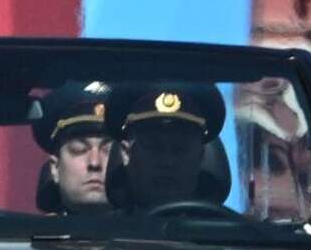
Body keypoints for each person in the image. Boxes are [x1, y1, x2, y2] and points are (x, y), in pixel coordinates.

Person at [105, 84, 227, 212]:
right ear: (126, 153)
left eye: (180, 148)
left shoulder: (231, 231)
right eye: (153, 147)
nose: (167, 161)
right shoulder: (101, 231)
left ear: (200, 157)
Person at [30, 81, 113, 214]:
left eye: (108, 150)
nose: (94, 163)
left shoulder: (156, 231)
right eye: (79, 149)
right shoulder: (30, 234)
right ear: (55, 167)